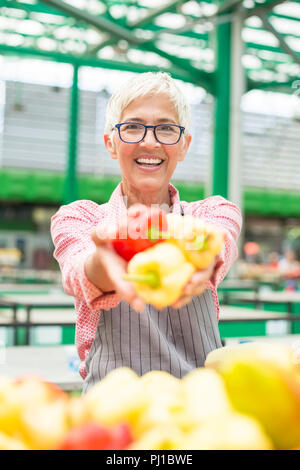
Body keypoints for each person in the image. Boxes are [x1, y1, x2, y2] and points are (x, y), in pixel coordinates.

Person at [51, 72, 242, 393]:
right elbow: (78, 270)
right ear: (111, 143)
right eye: (133, 127)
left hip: (201, 410)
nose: (150, 141)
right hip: (111, 414)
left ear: (183, 146)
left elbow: (218, 242)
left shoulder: (213, 213)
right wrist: (107, 259)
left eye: (166, 128)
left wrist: (204, 254)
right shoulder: (79, 218)